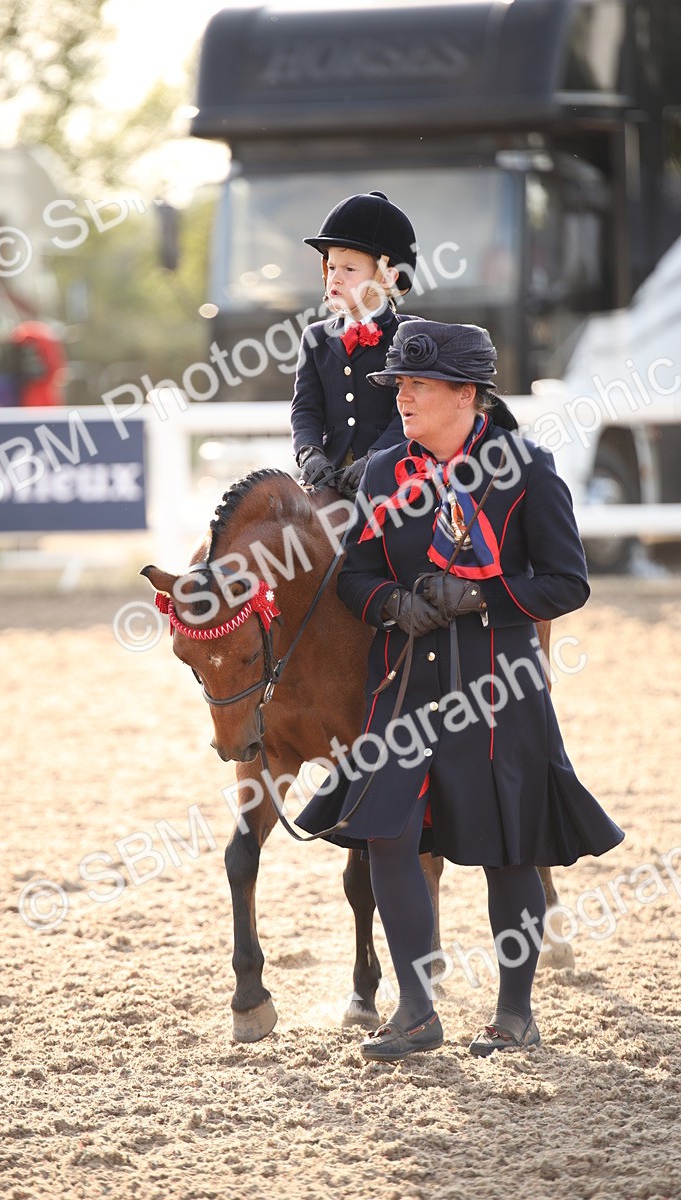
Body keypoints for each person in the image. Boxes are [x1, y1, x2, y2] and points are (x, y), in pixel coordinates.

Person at [296, 319, 625, 1061]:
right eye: (399, 386)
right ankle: (416, 1010)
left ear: (466, 394)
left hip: (498, 687)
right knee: (385, 831)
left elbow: (567, 582)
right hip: (406, 684)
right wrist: (390, 604)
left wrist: (481, 599)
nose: (402, 399)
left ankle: (515, 1015)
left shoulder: (529, 471)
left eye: (416, 385)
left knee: (510, 847)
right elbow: (356, 573)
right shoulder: (385, 474)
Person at [291, 190, 418, 499]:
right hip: (329, 479)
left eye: (349, 270)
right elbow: (305, 408)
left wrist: (375, 459)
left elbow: (407, 414)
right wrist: (309, 453)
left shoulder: (411, 335)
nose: (335, 278)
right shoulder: (315, 338)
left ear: (387, 276)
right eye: (332, 267)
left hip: (392, 480)